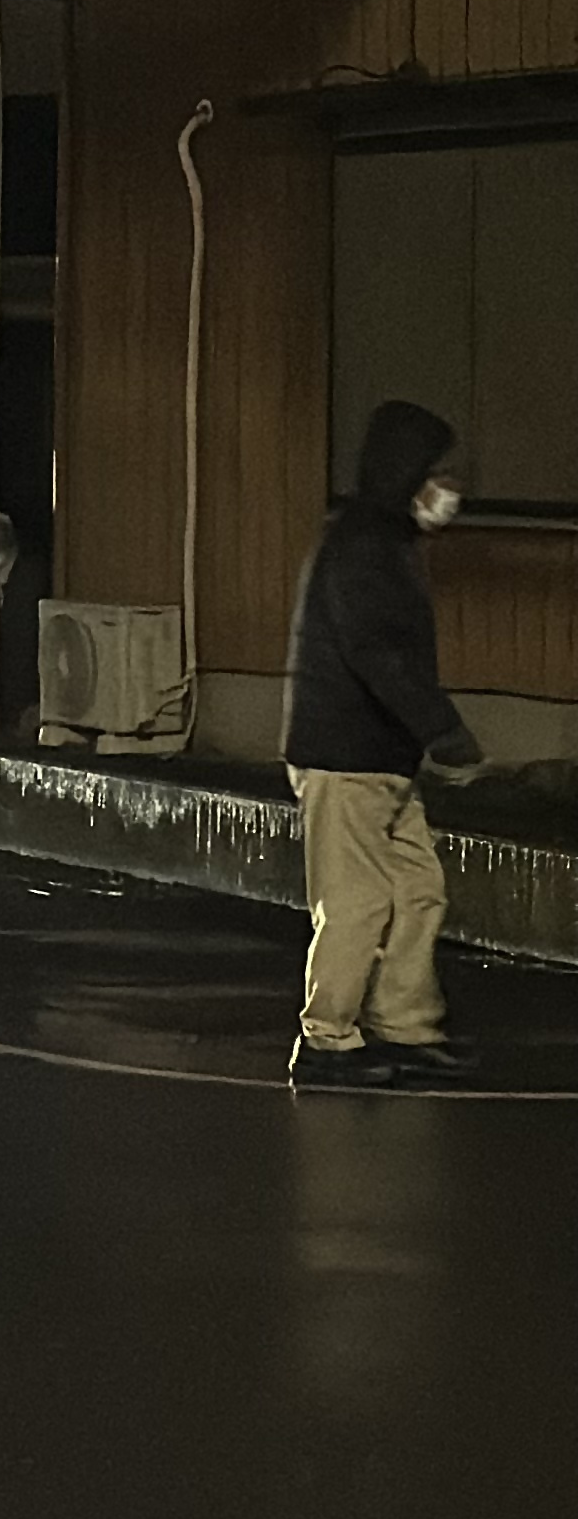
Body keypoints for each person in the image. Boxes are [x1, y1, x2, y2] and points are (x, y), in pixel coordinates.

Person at [283, 400, 484, 1091]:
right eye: (439, 473)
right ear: (408, 473)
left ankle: (404, 1022)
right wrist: (442, 728)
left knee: (417, 891)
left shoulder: (381, 540)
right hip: (347, 756)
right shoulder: (364, 547)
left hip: (379, 759)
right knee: (359, 900)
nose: (450, 489)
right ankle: (328, 1038)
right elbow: (377, 653)